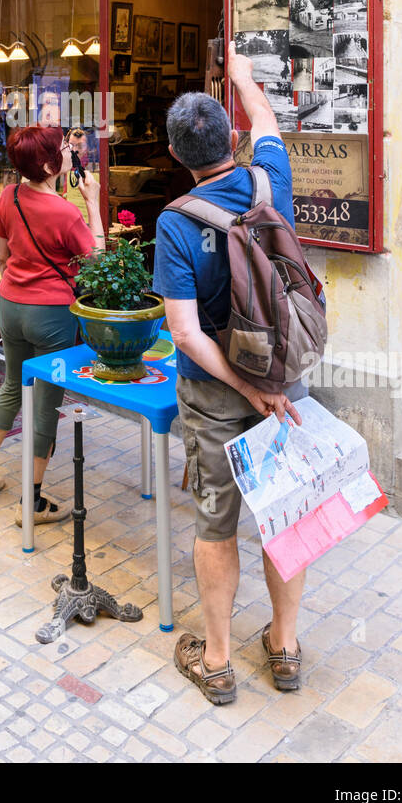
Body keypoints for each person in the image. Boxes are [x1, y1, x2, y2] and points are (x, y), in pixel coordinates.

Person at [153, 42, 307, 706]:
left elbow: (183, 331)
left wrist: (243, 391)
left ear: (174, 156)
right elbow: (267, 125)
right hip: (286, 385)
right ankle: (284, 644)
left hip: (217, 395)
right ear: (232, 137)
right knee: (284, 516)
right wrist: (242, 78)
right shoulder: (270, 178)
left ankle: (215, 659)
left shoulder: (175, 224)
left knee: (216, 525)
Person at [0, 124, 105, 524]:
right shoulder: (65, 212)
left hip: (10, 304)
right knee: (46, 402)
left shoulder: (8, 197)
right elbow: (95, 261)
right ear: (49, 165)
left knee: (12, 384)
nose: (69, 151)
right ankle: (32, 502)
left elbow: (2, 257)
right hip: (51, 314)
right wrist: (93, 202)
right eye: (63, 148)